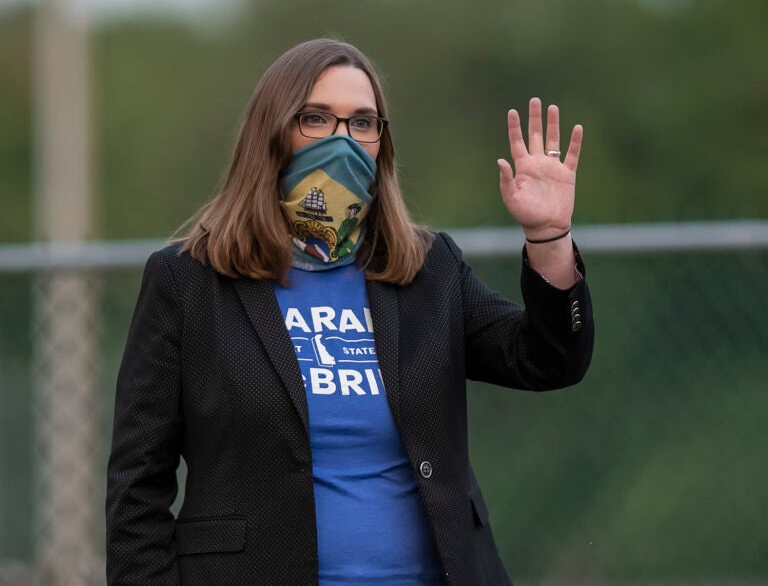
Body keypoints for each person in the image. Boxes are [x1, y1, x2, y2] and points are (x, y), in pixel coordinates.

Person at [106, 38, 594, 586]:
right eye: (316, 118)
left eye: (363, 123)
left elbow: (548, 359)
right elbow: (136, 490)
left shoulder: (427, 270)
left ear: (381, 144)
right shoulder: (189, 282)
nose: (344, 141)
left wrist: (549, 237)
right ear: (271, 133)